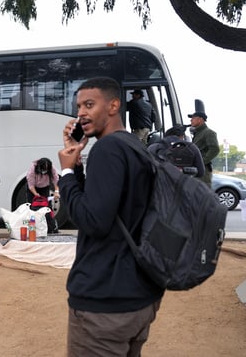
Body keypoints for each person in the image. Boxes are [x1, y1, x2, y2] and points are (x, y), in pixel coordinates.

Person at [58, 77, 164, 356]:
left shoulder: (107, 149)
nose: (81, 113)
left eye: (90, 104)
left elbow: (93, 220)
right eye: (79, 106)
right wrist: (77, 162)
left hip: (104, 301)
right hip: (140, 295)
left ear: (114, 105)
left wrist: (67, 174)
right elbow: (111, 208)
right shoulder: (135, 147)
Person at [188, 110, 219, 187]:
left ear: (200, 119)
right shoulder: (197, 133)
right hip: (196, 168)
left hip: (203, 170)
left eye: (193, 118)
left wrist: (201, 162)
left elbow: (214, 149)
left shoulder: (208, 132)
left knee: (203, 194)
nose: (191, 120)